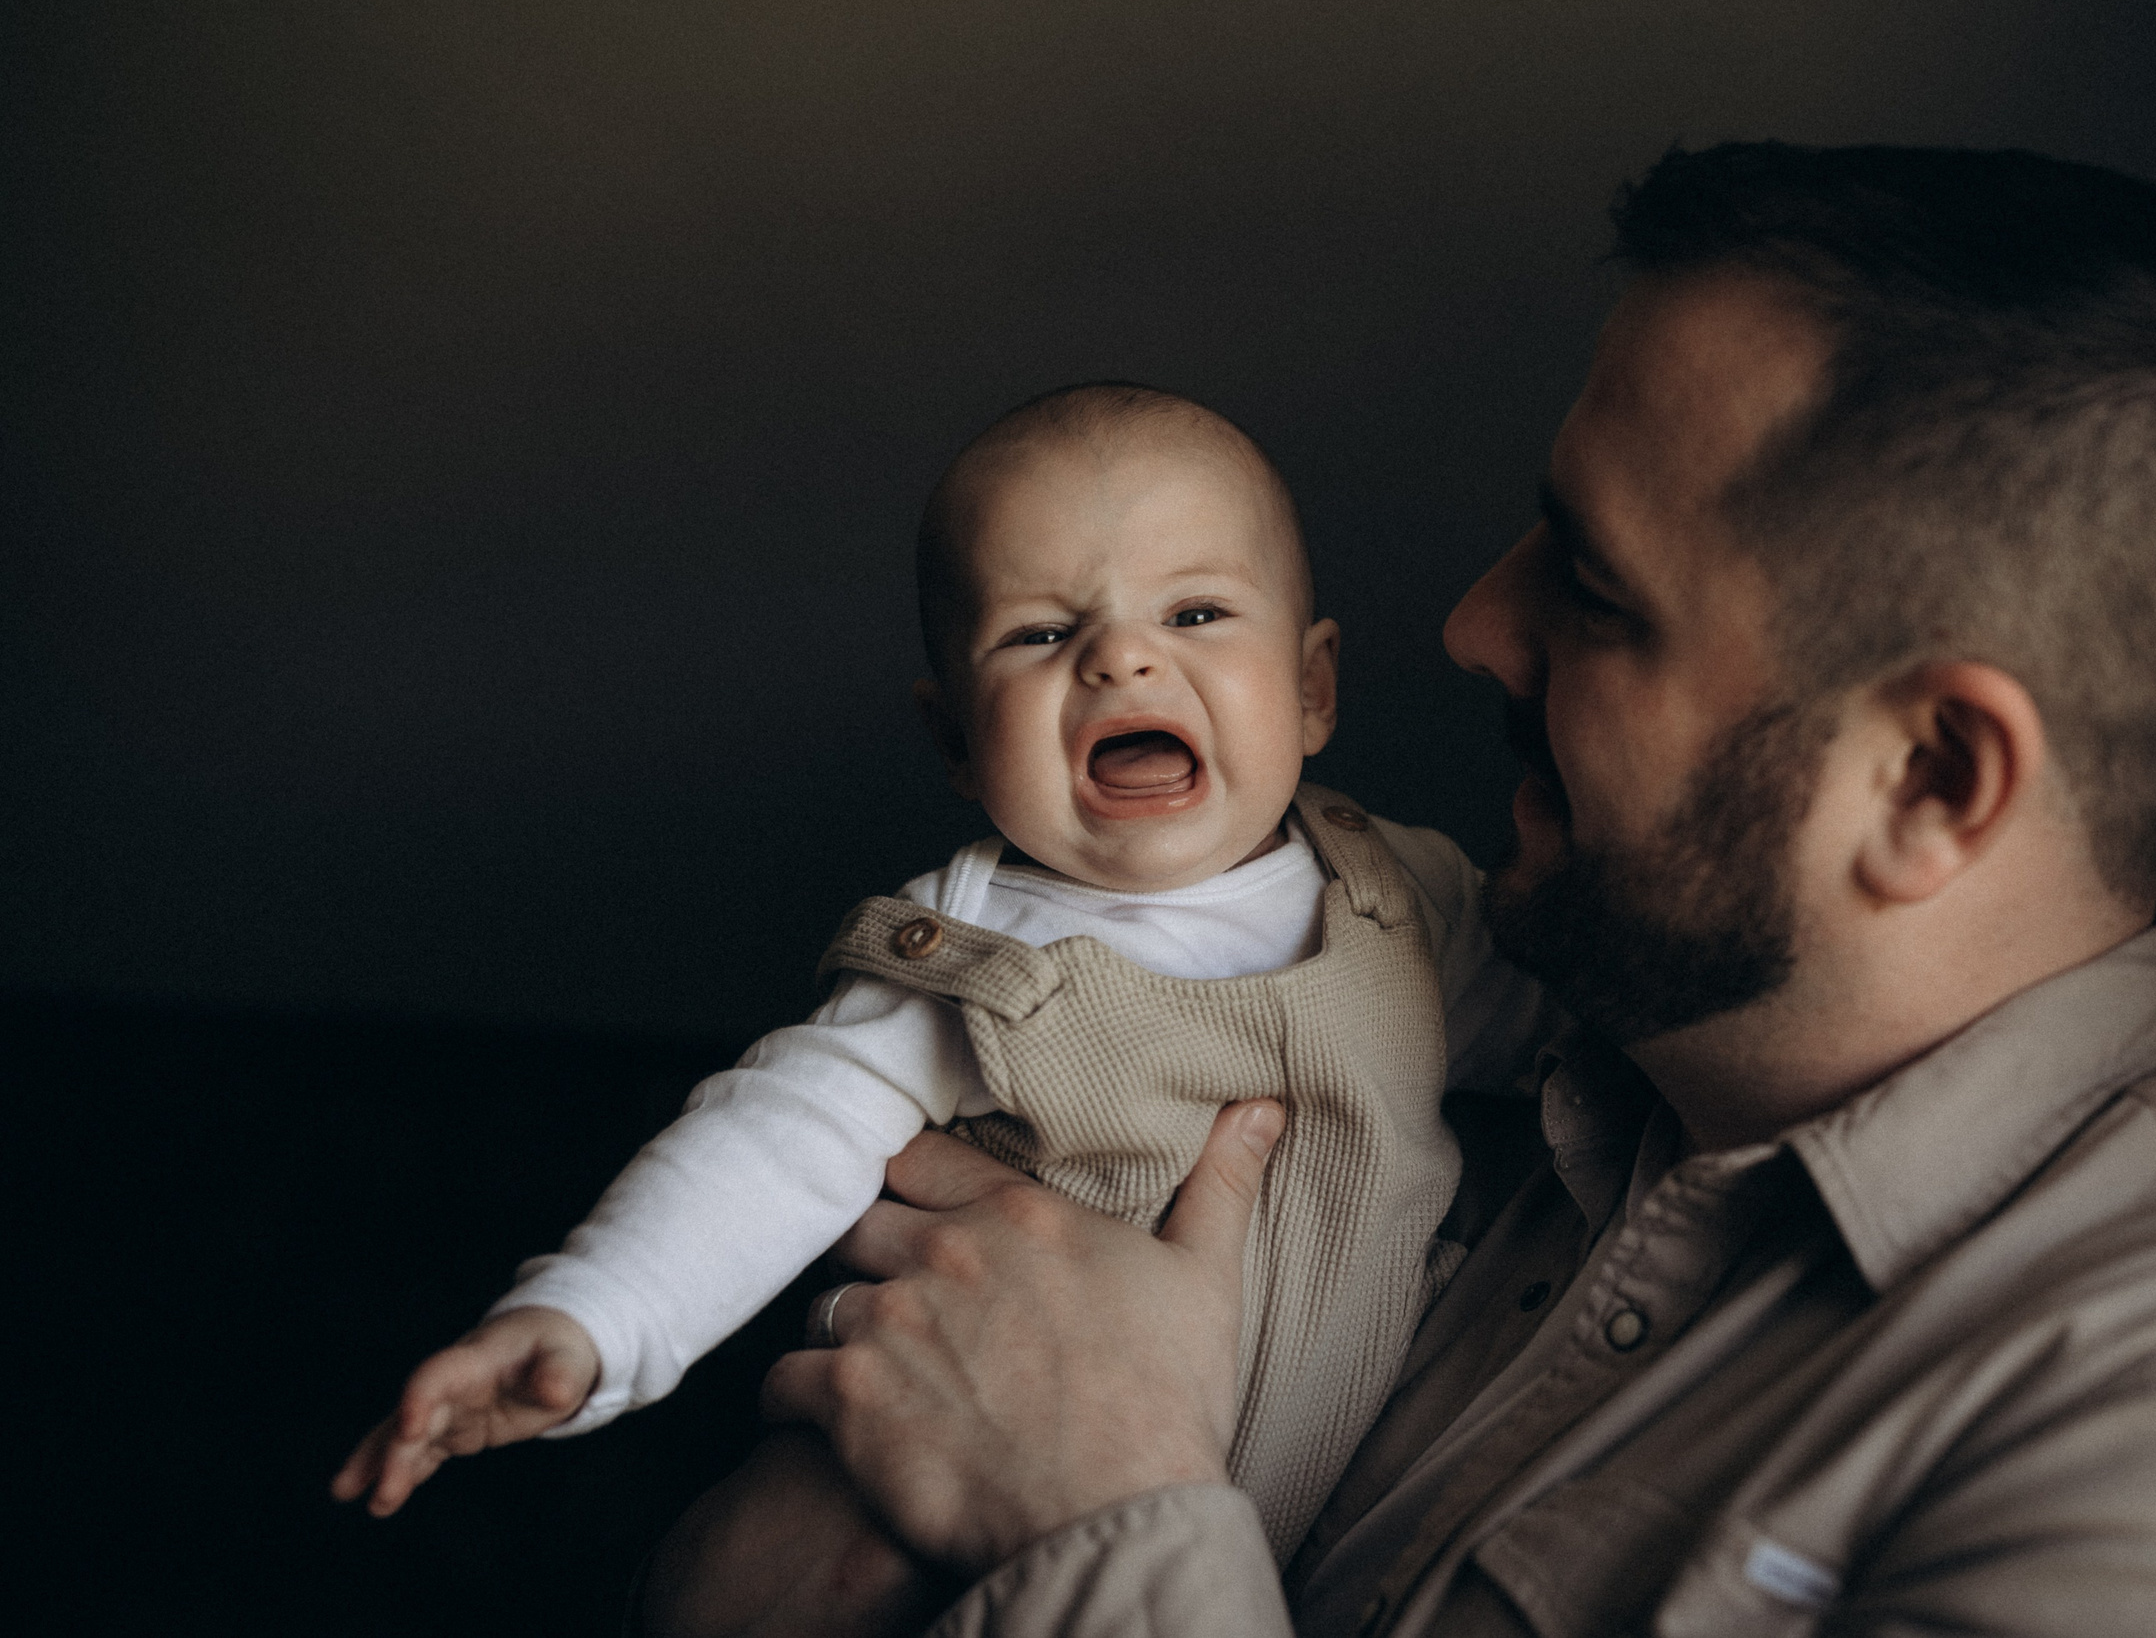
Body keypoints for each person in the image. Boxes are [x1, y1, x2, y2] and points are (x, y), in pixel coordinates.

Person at [753, 143, 2156, 1635]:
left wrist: (1107, 1513)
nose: (1473, 625)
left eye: (1599, 595)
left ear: (1930, 780)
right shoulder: (1470, 1056)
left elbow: (1057, 1459)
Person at [331, 385, 1550, 1609]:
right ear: (958, 742)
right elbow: (771, 1142)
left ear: (1310, 688)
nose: (1120, 654)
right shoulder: (968, 961)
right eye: (1037, 633)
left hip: (1276, 1536)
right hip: (950, 1514)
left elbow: (1572, 1036)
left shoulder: (1407, 901)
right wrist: (593, 1315)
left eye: (1194, 611)